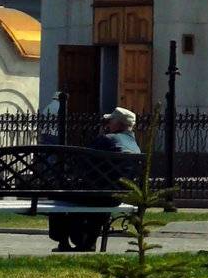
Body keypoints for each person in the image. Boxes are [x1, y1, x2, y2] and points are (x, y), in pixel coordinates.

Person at [50, 107, 141, 252]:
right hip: (117, 196)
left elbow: (81, 164)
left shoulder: (107, 139)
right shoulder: (134, 145)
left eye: (109, 122)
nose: (107, 125)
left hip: (96, 194)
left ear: (118, 124)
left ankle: (63, 240)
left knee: (57, 192)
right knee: (96, 193)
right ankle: (88, 242)